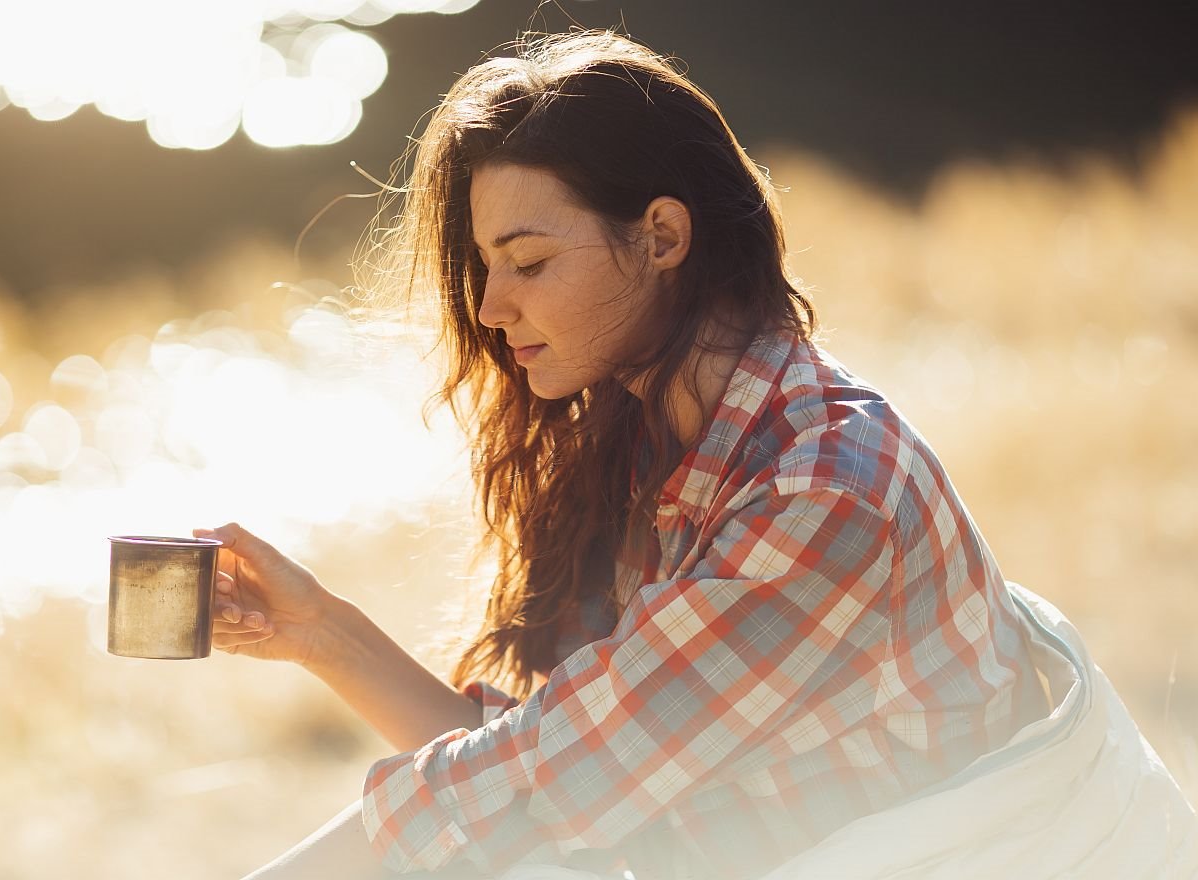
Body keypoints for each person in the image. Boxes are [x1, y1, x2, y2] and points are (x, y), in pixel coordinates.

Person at [194, 30, 1195, 880]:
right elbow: (564, 762)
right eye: (483, 270)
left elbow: (547, 778)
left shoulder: (817, 490)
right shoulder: (660, 442)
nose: (493, 309)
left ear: (661, 235)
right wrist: (322, 632)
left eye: (528, 262)